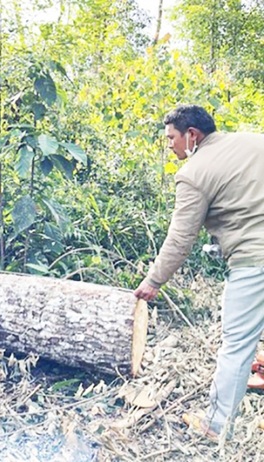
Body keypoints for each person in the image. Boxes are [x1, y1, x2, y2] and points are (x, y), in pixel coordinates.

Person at [134, 104, 264, 440]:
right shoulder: (254, 142)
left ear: (192, 135)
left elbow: (180, 238)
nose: (170, 145)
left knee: (236, 346)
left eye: (172, 138)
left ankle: (216, 427)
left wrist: (153, 281)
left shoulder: (194, 172)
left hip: (254, 261)